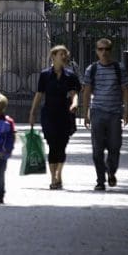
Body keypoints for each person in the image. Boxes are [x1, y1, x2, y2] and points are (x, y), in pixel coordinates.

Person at [82, 38, 128, 191]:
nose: (104, 52)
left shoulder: (119, 68)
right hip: (97, 112)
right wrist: (86, 113)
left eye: (107, 49)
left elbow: (125, 90)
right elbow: (87, 91)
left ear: (111, 51)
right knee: (97, 150)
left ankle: (111, 170)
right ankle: (100, 180)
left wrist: (126, 111)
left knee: (115, 146)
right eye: (100, 49)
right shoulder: (92, 69)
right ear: (96, 51)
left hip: (115, 113)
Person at [29, 45, 81, 190]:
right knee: (52, 146)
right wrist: (32, 112)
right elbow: (39, 94)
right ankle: (54, 178)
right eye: (61, 54)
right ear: (53, 56)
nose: (64, 57)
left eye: (65, 54)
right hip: (49, 115)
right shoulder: (45, 75)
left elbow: (74, 93)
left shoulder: (70, 76)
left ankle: (59, 174)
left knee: (62, 147)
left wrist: (75, 104)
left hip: (65, 115)